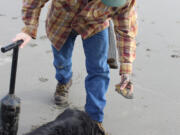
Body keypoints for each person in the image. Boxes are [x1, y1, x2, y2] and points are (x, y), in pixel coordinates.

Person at [13, 0, 138, 134]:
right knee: (62, 62)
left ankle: (94, 121)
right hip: (61, 21)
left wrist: (126, 69)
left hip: (95, 25)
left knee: (99, 70)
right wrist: (28, 29)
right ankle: (64, 81)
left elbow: (126, 31)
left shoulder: (126, 2)